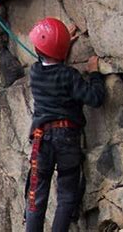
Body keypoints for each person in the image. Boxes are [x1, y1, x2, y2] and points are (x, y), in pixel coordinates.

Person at [24, 17, 105, 231]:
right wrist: (95, 73)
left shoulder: (35, 73)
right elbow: (95, 98)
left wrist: (61, 43)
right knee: (67, 195)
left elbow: (51, 63)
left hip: (42, 140)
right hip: (66, 138)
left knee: (36, 199)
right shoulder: (70, 76)